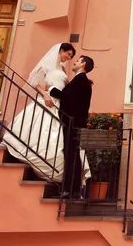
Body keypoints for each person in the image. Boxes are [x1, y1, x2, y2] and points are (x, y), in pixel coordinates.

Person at [1, 43, 90, 183]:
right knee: (37, 128)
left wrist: (83, 83)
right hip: (47, 100)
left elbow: (67, 89)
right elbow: (34, 81)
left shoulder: (62, 69)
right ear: (61, 51)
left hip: (59, 104)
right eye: (68, 54)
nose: (69, 58)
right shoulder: (46, 65)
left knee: (57, 138)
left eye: (72, 57)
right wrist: (45, 95)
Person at [49, 54, 94, 198]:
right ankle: (72, 189)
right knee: (72, 155)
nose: (74, 63)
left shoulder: (81, 80)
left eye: (77, 61)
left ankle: (69, 190)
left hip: (73, 122)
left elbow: (68, 97)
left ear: (83, 65)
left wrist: (51, 90)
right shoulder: (80, 80)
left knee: (71, 156)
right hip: (74, 122)